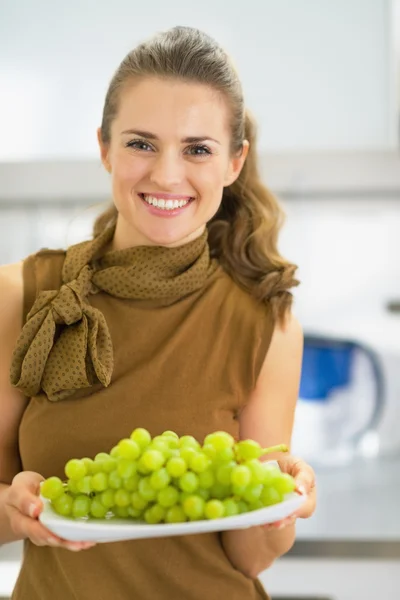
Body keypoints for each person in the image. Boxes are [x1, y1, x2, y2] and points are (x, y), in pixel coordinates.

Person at [0, 25, 316, 600]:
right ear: (103, 147)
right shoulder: (22, 293)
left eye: (198, 149)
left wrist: (281, 508)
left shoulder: (266, 321)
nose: (167, 175)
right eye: (141, 143)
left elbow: (250, 557)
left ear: (234, 162)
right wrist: (12, 510)